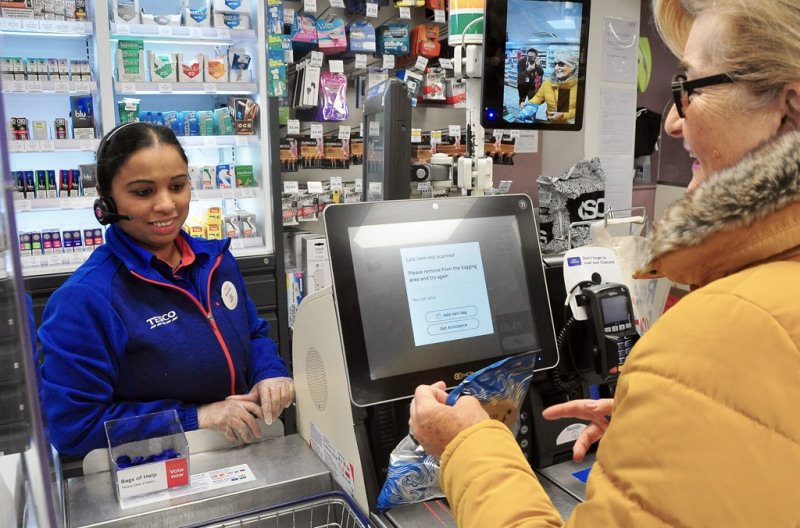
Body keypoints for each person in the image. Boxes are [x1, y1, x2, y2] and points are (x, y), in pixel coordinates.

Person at [409, 0, 800, 525]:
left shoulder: (719, 334)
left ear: (789, 107)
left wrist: (469, 448)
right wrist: (665, 428)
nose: (673, 124)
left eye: (688, 88)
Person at [38, 122, 295, 458]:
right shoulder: (85, 300)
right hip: (157, 473)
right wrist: (197, 417)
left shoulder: (215, 261)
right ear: (106, 198)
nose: (167, 205)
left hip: (244, 451)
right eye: (143, 192)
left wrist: (270, 374)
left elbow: (253, 334)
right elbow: (74, 428)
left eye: (177, 186)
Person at [521, 48, 579, 124]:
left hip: (571, 126)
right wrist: (529, 103)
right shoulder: (548, 82)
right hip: (552, 122)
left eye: (561, 64)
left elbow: (582, 110)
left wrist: (564, 115)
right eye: (555, 64)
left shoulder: (581, 85)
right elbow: (539, 97)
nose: (556, 67)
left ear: (572, 66)